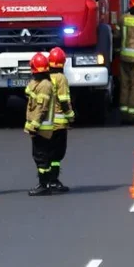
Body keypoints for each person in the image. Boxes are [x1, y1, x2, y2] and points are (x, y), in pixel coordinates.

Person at [23, 52, 61, 196]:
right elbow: (28, 92)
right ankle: (45, 183)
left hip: (41, 128)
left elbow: (41, 108)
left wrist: (34, 125)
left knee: (41, 157)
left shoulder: (44, 85)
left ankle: (44, 185)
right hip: (40, 127)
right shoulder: (40, 83)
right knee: (40, 156)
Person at [45, 47, 73, 192]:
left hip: (45, 124)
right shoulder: (61, 78)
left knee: (46, 152)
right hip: (59, 124)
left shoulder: (44, 77)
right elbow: (64, 99)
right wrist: (70, 115)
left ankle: (45, 181)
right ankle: (54, 180)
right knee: (57, 154)